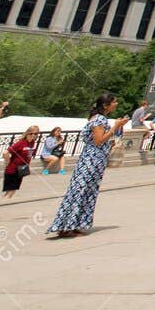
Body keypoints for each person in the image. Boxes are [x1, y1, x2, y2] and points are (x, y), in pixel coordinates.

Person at [47, 93, 129, 238]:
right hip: (92, 160)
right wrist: (115, 127)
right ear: (105, 105)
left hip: (92, 159)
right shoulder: (99, 119)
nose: (116, 104)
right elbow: (98, 140)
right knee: (82, 191)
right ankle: (68, 226)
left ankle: (73, 225)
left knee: (85, 191)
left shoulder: (95, 118)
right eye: (114, 102)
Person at [2, 126, 40, 198]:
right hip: (13, 169)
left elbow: (29, 155)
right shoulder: (21, 143)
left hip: (21, 169)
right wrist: (8, 161)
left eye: (36, 134)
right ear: (27, 133)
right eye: (31, 133)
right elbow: (5, 152)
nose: (33, 135)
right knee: (11, 191)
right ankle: (3, 203)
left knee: (11, 191)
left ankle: (4, 202)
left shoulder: (32, 143)